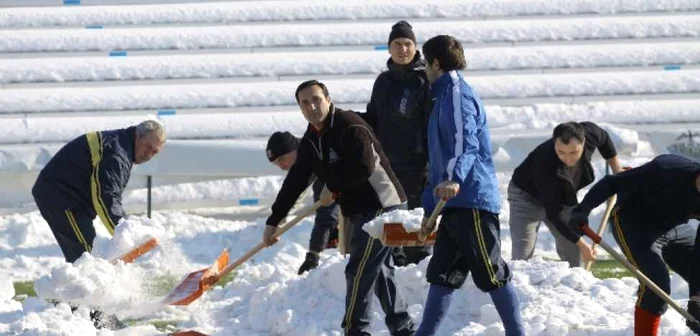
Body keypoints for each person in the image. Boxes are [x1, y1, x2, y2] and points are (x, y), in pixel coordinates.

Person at [262, 80, 415, 335]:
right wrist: (273, 220)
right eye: (305, 103)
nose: (312, 106)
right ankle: (403, 328)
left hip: (383, 205)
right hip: (359, 210)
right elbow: (296, 179)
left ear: (328, 99)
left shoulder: (350, 125)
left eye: (316, 99)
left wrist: (332, 187)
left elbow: (363, 167)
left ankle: (356, 331)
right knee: (377, 272)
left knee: (359, 270)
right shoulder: (312, 138)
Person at [416, 35, 524, 336]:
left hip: (471, 199)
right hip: (453, 202)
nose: (424, 68)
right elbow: (439, 158)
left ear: (436, 62)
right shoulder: (441, 96)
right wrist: (430, 206)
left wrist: (454, 178)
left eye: (426, 62)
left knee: (491, 273)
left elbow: (466, 143)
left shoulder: (456, 93)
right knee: (442, 275)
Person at [31, 119, 166, 329]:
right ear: (138, 136)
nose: (149, 154)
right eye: (148, 146)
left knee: (88, 256)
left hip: (73, 201)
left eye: (155, 152)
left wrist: (124, 230)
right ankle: (94, 317)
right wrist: (124, 234)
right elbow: (106, 196)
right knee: (86, 259)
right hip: (60, 198)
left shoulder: (121, 145)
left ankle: (76, 309)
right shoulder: (118, 152)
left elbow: (106, 195)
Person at [569, 154, 700, 336]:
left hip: (677, 226)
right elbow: (612, 183)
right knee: (656, 285)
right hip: (635, 224)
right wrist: (582, 210)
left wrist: (696, 299)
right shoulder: (666, 169)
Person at [364, 20, 432, 266]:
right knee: (392, 219)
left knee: (415, 219)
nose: (403, 49)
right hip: (387, 163)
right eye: (397, 44)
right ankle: (396, 265)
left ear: (415, 47)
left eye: (408, 43)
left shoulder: (424, 80)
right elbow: (373, 117)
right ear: (389, 48)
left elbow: (431, 125)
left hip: (417, 164)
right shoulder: (382, 82)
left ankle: (418, 267)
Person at [509, 121, 622, 267]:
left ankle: (576, 284)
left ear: (584, 142)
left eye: (573, 152)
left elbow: (604, 138)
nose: (568, 158)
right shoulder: (546, 164)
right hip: (525, 198)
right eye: (561, 152)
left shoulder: (590, 132)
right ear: (554, 142)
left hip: (560, 196)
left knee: (574, 249)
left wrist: (616, 170)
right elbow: (556, 215)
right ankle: (519, 287)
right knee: (522, 257)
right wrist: (583, 245)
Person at [265, 131, 341, 275]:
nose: (281, 166)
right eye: (276, 163)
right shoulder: (303, 161)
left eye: (282, 159)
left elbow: (326, 211)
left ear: (293, 148)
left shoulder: (318, 152)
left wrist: (313, 254)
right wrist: (275, 221)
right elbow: (292, 191)